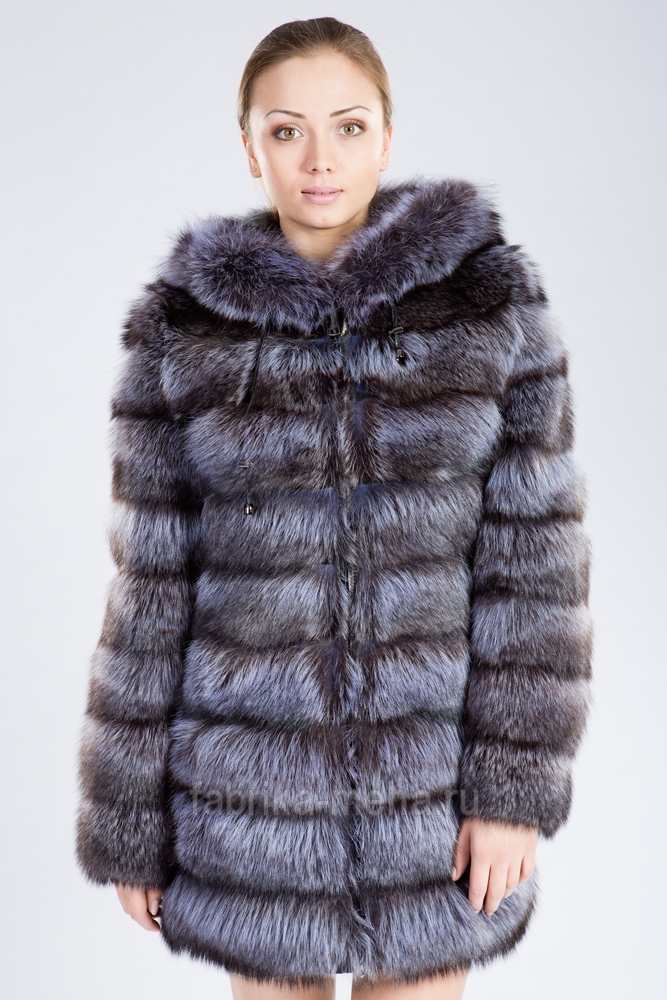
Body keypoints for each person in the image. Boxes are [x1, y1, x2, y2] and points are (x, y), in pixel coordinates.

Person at [75, 16, 592, 1000]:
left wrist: (512, 790)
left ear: (386, 138)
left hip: (434, 792)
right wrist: (130, 820)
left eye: (348, 126)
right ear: (249, 146)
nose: (319, 160)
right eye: (286, 130)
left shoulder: (488, 310)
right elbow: (148, 589)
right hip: (246, 796)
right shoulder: (182, 333)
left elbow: (535, 571)